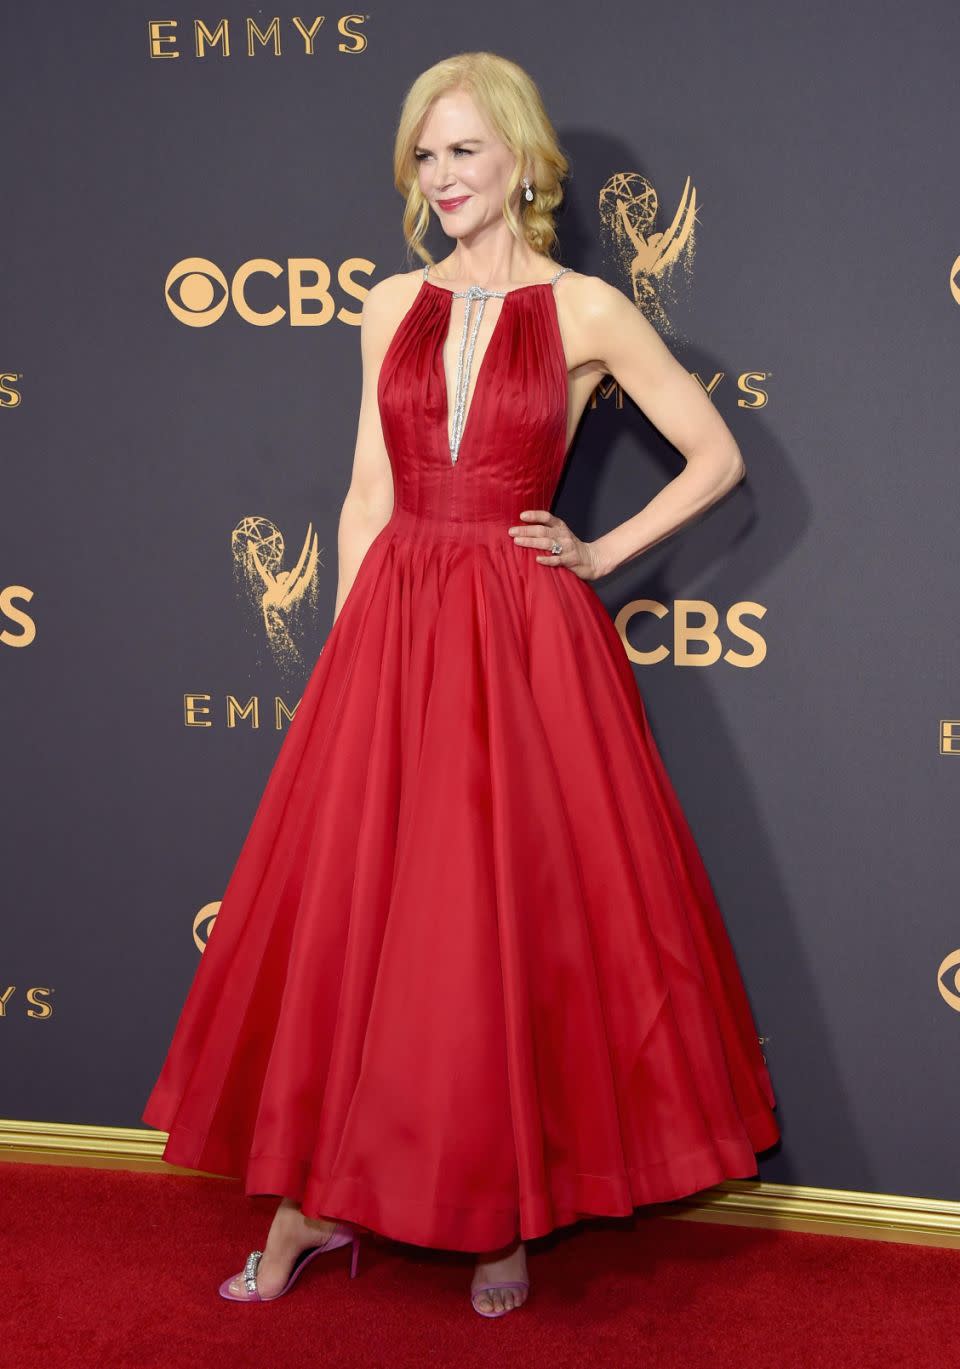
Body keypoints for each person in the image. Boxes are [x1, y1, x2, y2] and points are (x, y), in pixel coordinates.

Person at [142, 50, 779, 1320]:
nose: (440, 176)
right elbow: (368, 491)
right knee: (367, 922)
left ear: (524, 162)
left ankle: (501, 1210)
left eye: (463, 151)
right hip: (394, 627)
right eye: (424, 156)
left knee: (497, 925)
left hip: (523, 637)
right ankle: (312, 1205)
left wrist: (597, 550)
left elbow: (714, 454)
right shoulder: (387, 305)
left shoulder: (589, 308)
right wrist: (343, 660)